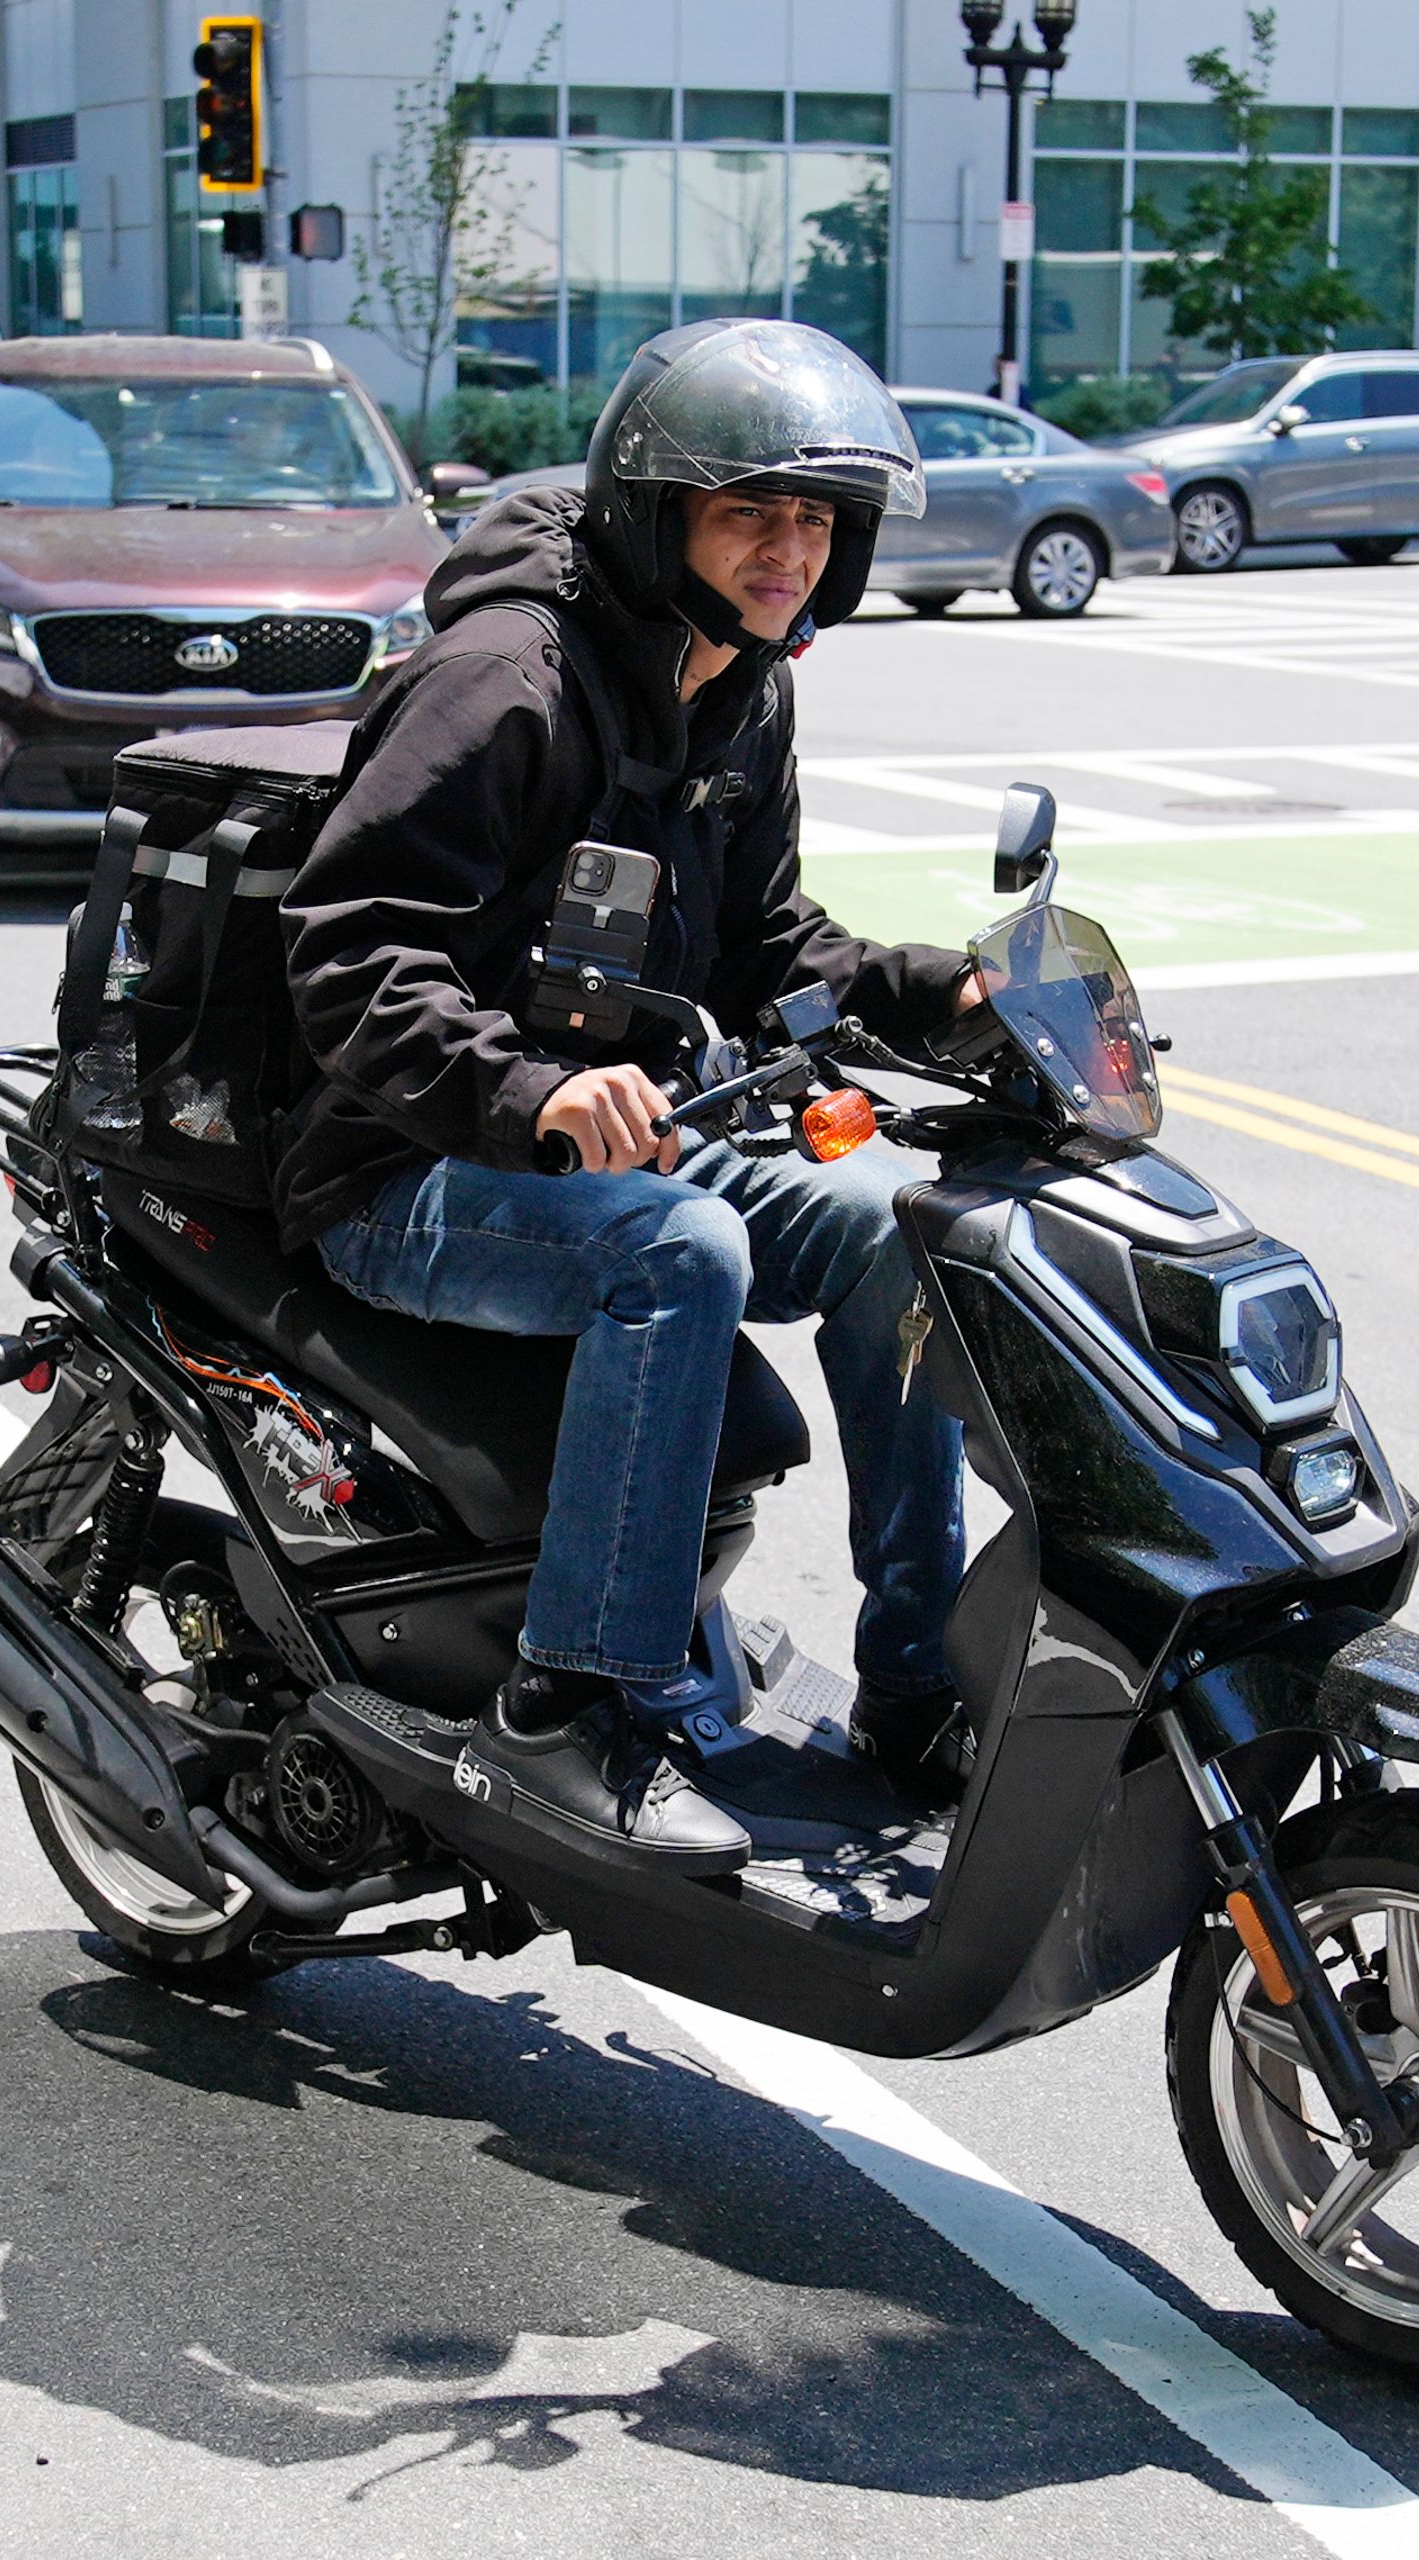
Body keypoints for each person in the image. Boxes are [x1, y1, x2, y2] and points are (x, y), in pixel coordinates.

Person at [277, 319, 981, 1872]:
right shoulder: (502, 680)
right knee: (682, 1254)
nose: (789, 549)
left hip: (632, 1135)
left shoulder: (743, 682)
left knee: (898, 1230)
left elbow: (763, 943)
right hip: (405, 1163)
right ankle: (576, 1706)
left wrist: (931, 993)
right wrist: (527, 1087)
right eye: (751, 514)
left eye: (815, 521)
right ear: (659, 517)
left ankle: (919, 1685)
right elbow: (347, 954)